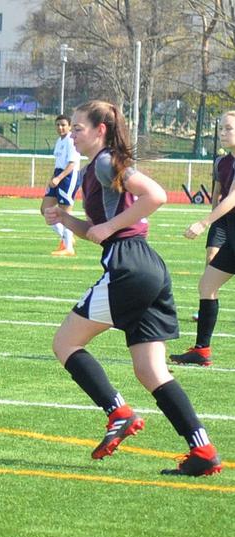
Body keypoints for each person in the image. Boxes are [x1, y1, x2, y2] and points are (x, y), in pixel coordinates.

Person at [44, 100, 222, 477]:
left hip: (128, 266)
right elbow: (98, 231)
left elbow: (155, 195)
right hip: (145, 266)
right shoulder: (99, 168)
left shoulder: (106, 162)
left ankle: (118, 412)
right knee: (150, 371)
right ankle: (203, 450)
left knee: (64, 343)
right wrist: (64, 218)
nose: (72, 135)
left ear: (100, 130)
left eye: (78, 128)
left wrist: (107, 228)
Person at [170, 111, 235, 366]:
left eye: (229, 128)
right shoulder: (223, 162)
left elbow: (232, 198)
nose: (223, 132)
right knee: (207, 286)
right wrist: (213, 225)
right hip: (232, 239)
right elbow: (220, 197)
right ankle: (201, 350)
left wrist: (203, 222)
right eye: (222, 128)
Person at [40, 115, 82, 256]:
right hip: (58, 175)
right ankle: (66, 237)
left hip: (68, 177)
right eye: (58, 125)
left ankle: (68, 247)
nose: (60, 128)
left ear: (69, 126)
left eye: (63, 125)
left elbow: (72, 164)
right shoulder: (59, 141)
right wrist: (52, 179)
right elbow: (58, 163)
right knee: (45, 209)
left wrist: (59, 178)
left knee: (65, 212)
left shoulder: (71, 141)